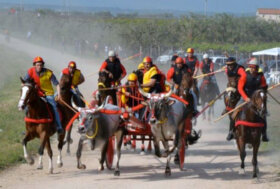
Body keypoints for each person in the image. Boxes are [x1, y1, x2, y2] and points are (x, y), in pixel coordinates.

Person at [24, 56, 63, 134]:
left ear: (43, 65)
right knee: (27, 107)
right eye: (37, 65)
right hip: (36, 94)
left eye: (41, 65)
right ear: (34, 65)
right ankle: (28, 127)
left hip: (48, 94)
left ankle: (59, 127)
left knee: (54, 107)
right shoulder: (30, 71)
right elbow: (25, 82)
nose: (39, 66)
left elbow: (57, 84)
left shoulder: (49, 73)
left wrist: (59, 95)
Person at [240, 58, 269, 141]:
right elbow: (240, 88)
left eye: (255, 67)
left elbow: (263, 86)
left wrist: (265, 88)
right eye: (252, 67)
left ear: (257, 68)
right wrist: (245, 98)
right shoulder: (245, 75)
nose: (253, 69)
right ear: (249, 67)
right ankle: (232, 131)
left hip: (257, 98)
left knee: (263, 114)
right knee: (236, 110)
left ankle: (264, 134)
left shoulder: (261, 76)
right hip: (246, 97)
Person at [223, 57, 247, 141]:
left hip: (240, 87)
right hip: (231, 86)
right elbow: (226, 72)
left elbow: (244, 76)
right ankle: (227, 108)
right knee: (226, 95)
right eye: (228, 65)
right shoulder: (227, 69)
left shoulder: (240, 69)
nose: (229, 66)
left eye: (231, 65)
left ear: (234, 64)